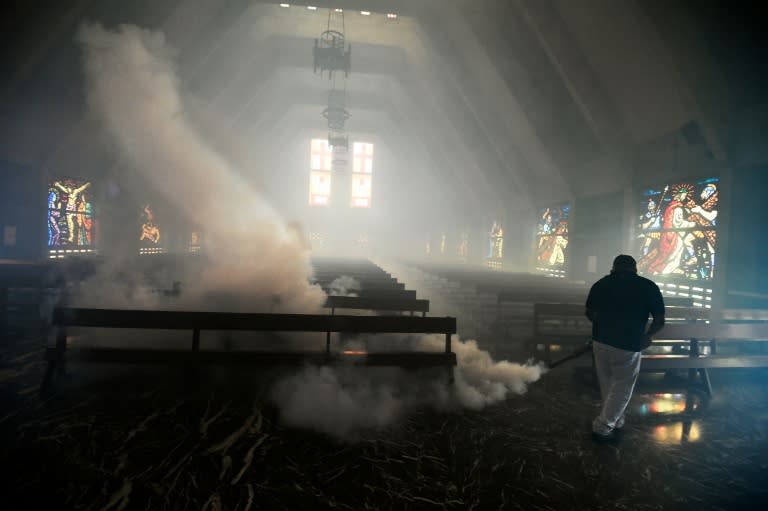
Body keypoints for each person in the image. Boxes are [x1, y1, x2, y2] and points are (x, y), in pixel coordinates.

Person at [585, 254, 665, 442]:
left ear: (614, 268)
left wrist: (603, 327)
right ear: (635, 269)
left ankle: (616, 419)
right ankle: (603, 426)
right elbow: (660, 320)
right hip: (628, 343)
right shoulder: (648, 286)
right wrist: (648, 336)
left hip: (601, 341)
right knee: (622, 386)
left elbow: (589, 312)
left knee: (608, 383)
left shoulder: (601, 283)